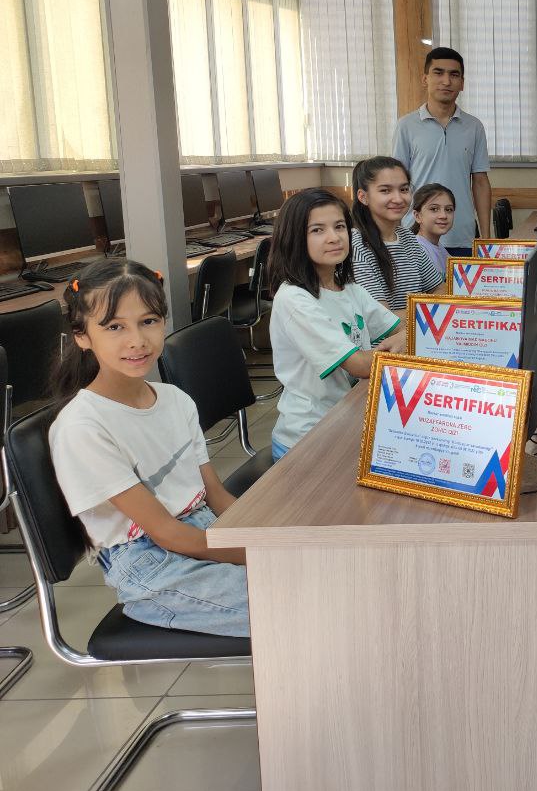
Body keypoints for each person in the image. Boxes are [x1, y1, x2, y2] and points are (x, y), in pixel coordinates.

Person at [49, 259, 248, 638]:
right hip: (148, 562)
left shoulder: (174, 400)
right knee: (293, 599)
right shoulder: (82, 427)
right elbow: (166, 533)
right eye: (114, 327)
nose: (137, 340)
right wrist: (259, 554)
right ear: (81, 336)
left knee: (313, 574)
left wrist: (268, 537)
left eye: (148, 321)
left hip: (201, 528)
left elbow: (216, 495)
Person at [268, 188, 406, 461]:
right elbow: (361, 365)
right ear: (294, 238)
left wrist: (412, 330)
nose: (334, 237)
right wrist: (407, 337)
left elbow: (397, 325)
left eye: (340, 226)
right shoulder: (294, 299)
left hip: (348, 421)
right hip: (309, 438)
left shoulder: (348, 288)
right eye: (317, 230)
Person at [391, 46, 490, 255]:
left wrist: (487, 239)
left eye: (454, 75)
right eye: (438, 73)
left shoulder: (474, 127)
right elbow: (397, 184)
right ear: (425, 79)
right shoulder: (406, 126)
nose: (446, 81)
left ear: (462, 83)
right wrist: (396, 235)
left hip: (462, 236)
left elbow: (481, 182)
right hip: (417, 237)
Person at [350, 157, 444, 312]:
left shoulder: (408, 237)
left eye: (404, 189)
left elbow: (439, 288)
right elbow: (383, 319)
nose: (398, 199)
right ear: (363, 197)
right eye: (385, 190)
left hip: (419, 325)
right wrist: (431, 310)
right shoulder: (357, 246)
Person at [410, 182, 455, 284]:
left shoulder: (440, 249)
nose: (443, 215)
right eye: (434, 209)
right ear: (417, 216)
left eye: (448, 209)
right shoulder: (416, 251)